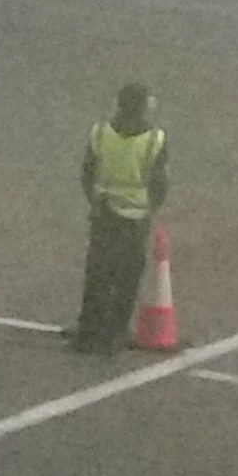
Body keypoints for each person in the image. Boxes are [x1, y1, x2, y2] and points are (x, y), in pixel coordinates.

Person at [68, 81, 171, 353]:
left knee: (98, 271)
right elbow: (160, 182)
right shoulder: (154, 139)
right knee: (126, 276)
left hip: (103, 212)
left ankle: (89, 329)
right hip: (135, 218)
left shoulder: (100, 133)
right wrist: (151, 208)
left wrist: (96, 200)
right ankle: (114, 333)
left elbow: (87, 172)